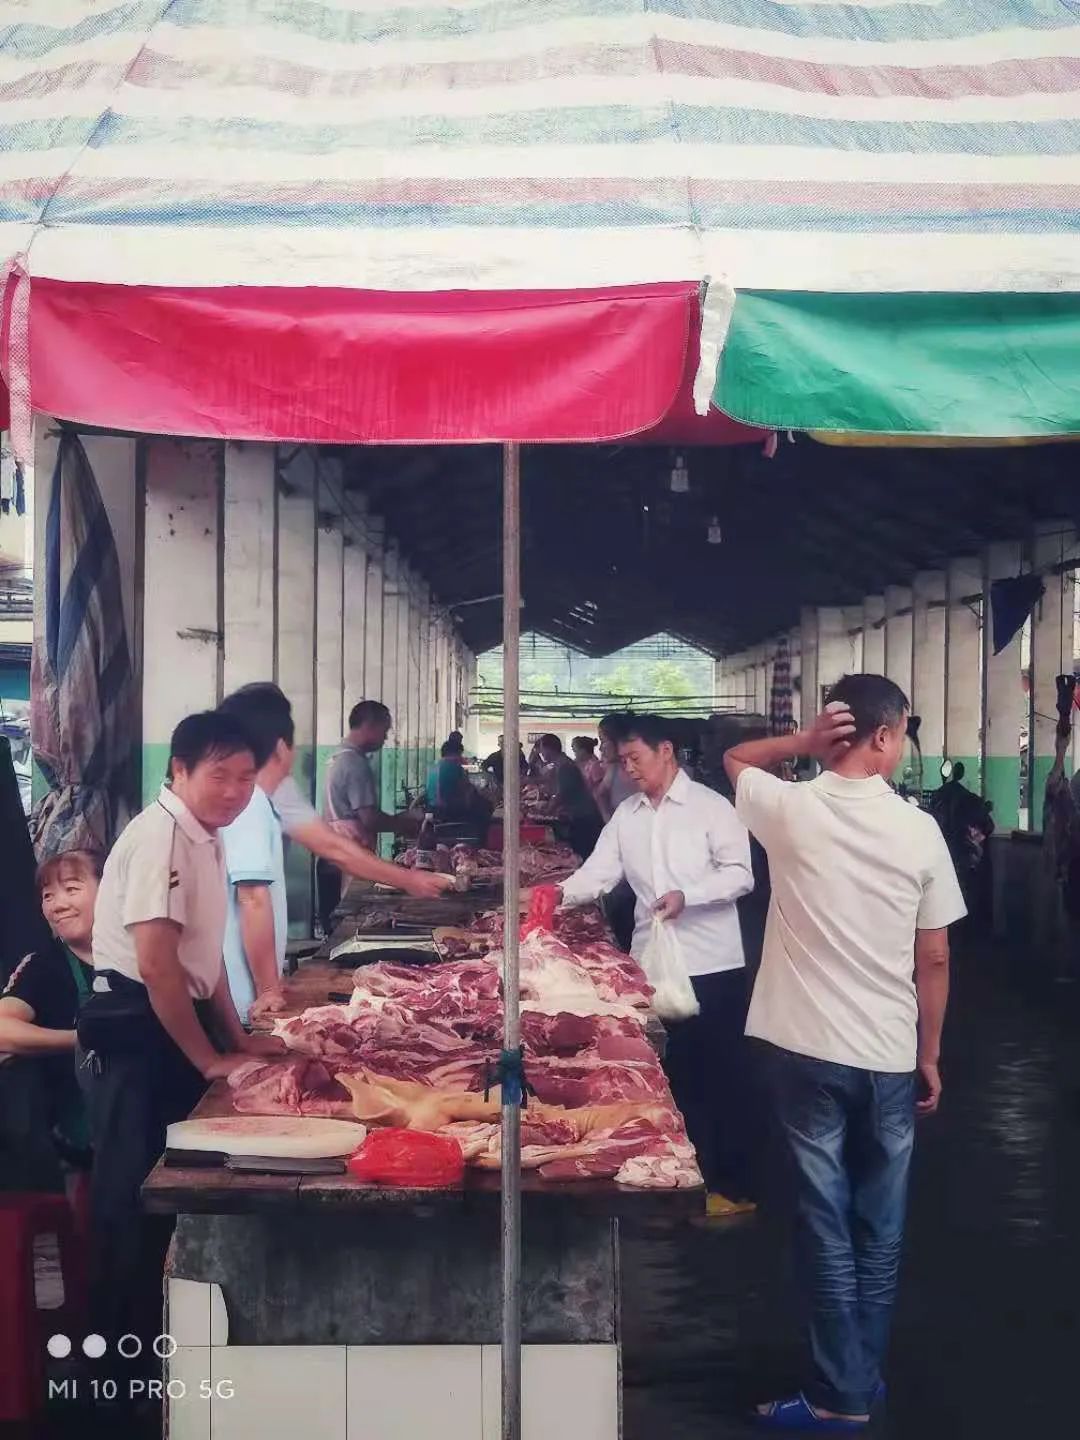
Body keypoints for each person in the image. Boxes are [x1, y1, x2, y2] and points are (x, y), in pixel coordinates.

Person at [724, 675, 966, 1430]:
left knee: (824, 1224)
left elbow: (736, 760)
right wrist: (930, 1054)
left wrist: (800, 744)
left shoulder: (792, 809)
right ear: (885, 737)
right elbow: (935, 956)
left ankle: (840, 1397)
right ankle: (859, 1380)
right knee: (878, 1229)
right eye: (903, 735)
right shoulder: (920, 830)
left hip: (806, 1054)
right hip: (889, 1055)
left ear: (834, 731)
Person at [76, 711, 287, 1359]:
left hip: (171, 1018)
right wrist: (206, 1059)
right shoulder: (160, 837)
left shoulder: (205, 834)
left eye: (246, 778)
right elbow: (157, 966)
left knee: (168, 1193)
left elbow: (204, 954)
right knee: (134, 1195)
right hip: (136, 1029)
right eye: (219, 776)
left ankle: (162, 1341)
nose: (235, 792)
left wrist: (236, 1040)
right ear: (179, 770)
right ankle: (117, 1367)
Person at [545, 714, 756, 1207]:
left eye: (635, 758)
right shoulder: (628, 815)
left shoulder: (711, 807)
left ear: (666, 751)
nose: (629, 769)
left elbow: (740, 874)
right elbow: (598, 873)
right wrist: (555, 895)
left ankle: (728, 1186)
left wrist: (690, 895)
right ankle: (673, 1181)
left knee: (718, 1076)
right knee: (662, 1075)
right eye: (623, 761)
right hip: (651, 964)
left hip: (710, 963)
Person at [0, 849, 102, 1191]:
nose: (57, 905)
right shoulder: (43, 966)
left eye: (71, 889)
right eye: (48, 896)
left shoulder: (139, 957)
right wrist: (80, 1039)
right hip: (81, 1130)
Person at [309, 695, 452, 934]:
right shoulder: (354, 763)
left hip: (332, 850)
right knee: (348, 923)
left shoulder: (336, 757)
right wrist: (405, 823)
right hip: (349, 854)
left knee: (334, 919)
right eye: (384, 731)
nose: (386, 738)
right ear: (370, 726)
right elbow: (370, 819)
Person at [534, 733, 604, 860]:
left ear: (549, 748)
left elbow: (563, 793)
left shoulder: (565, 765)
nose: (541, 753)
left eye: (542, 749)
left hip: (584, 818)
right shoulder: (561, 763)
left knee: (582, 857)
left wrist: (547, 810)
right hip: (581, 815)